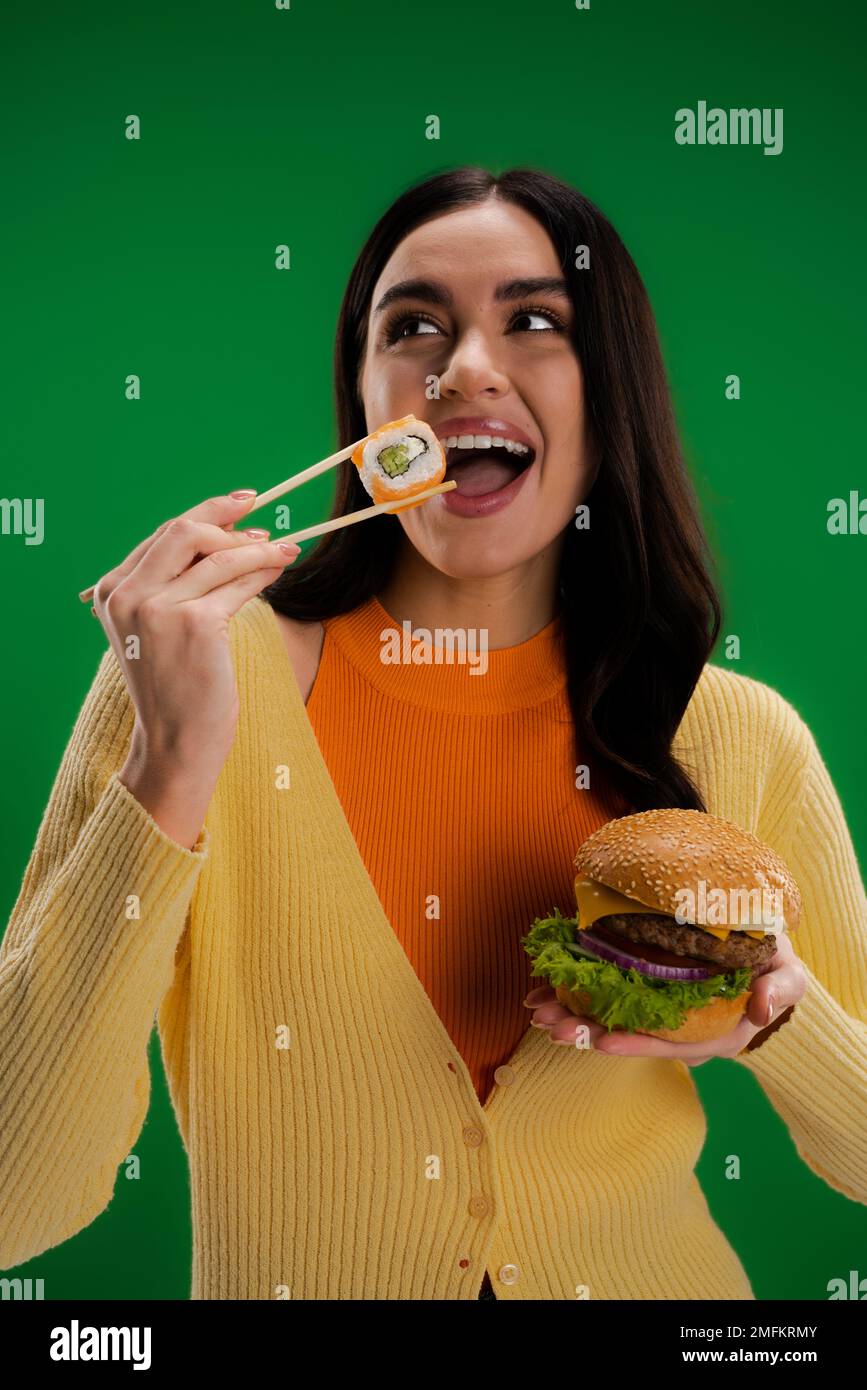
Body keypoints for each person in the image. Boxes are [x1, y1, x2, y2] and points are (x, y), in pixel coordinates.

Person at [1, 167, 866, 1301]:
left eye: (536, 321)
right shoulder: (184, 675)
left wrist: (769, 1017)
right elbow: (19, 1200)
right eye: (412, 327)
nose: (463, 368)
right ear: (365, 401)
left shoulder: (742, 732)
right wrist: (168, 766)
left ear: (611, 400)